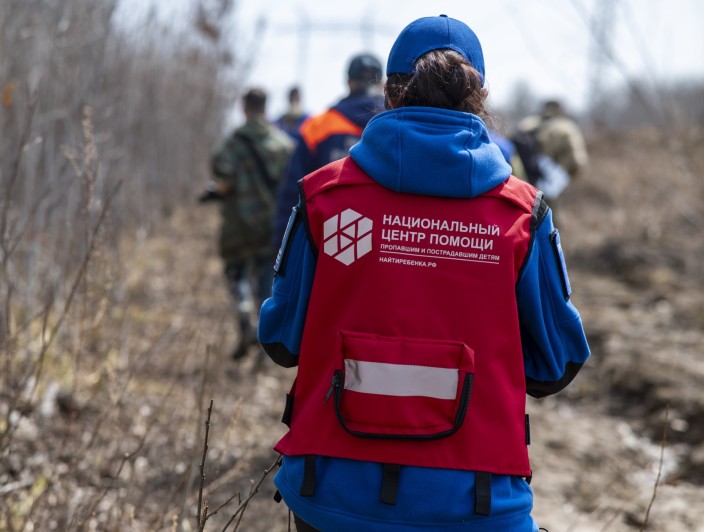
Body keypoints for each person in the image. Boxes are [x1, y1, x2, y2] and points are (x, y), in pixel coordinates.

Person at [258, 14, 590, 531]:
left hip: (330, 494)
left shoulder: (323, 198)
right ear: (481, 96)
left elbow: (281, 341)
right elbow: (555, 366)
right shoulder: (523, 215)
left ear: (388, 94)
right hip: (475, 504)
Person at [207, 87, 293, 360]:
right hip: (270, 227)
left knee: (237, 274)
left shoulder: (231, 143)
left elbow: (220, 172)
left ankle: (243, 312)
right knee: (266, 284)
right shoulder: (283, 145)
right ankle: (263, 338)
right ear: (265, 107)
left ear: (245, 107)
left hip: (237, 225)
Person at [272, 53, 386, 247]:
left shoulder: (317, 127)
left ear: (349, 82)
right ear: (381, 83)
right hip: (386, 242)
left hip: (328, 241)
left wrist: (282, 244)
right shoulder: (397, 125)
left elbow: (294, 191)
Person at [513, 100, 588, 224]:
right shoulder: (566, 128)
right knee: (552, 225)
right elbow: (578, 162)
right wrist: (566, 178)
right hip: (552, 187)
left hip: (525, 186)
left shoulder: (525, 125)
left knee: (526, 225)